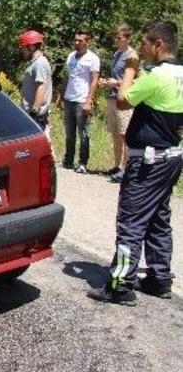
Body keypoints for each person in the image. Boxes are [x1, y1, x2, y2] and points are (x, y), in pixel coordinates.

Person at [88, 20, 181, 305]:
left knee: (131, 220)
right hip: (171, 157)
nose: (140, 49)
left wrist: (130, 68)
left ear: (158, 45)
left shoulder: (156, 77)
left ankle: (121, 285)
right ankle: (159, 277)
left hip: (148, 161)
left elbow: (124, 101)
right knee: (158, 219)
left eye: (144, 43)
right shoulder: (179, 74)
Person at [99, 24, 138, 183]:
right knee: (115, 135)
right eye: (115, 37)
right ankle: (117, 166)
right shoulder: (116, 54)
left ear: (128, 38)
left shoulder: (132, 55)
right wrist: (106, 82)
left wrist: (117, 83)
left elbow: (138, 80)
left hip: (125, 100)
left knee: (125, 135)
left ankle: (126, 169)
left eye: (119, 37)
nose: (116, 40)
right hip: (112, 98)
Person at [59, 29, 100, 173]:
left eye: (80, 40)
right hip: (69, 98)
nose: (77, 42)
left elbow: (95, 81)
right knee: (69, 132)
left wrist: (89, 100)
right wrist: (61, 96)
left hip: (82, 100)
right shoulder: (71, 56)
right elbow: (67, 77)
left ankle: (82, 162)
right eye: (75, 40)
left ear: (87, 42)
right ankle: (68, 160)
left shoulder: (93, 58)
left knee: (83, 133)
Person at [18, 30, 53, 133]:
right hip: (31, 113)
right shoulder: (35, 63)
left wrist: (34, 111)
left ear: (31, 47)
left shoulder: (40, 63)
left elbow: (41, 87)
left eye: (23, 48)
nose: (22, 51)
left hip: (35, 116)